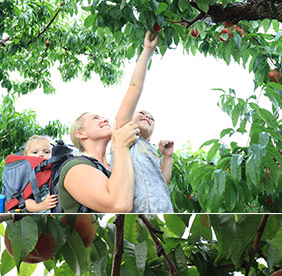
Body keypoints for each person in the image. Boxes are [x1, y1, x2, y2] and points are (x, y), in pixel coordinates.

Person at [57, 32, 161, 214]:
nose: (105, 119)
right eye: (95, 118)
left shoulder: (116, 167)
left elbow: (134, 88)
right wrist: (120, 146)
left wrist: (147, 50)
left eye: (103, 117)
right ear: (80, 134)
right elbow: (119, 205)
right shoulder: (74, 167)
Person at [112, 30, 173, 212]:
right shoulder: (124, 133)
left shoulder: (149, 149)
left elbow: (161, 181)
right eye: (142, 113)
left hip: (163, 210)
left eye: (152, 119)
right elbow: (134, 87)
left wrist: (167, 157)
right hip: (136, 213)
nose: (148, 117)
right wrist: (147, 50)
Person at [23, 136, 58, 213]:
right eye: (35, 152)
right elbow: (25, 201)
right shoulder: (27, 174)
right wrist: (42, 205)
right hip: (39, 215)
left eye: (46, 152)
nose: (41, 155)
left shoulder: (54, 171)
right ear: (26, 156)